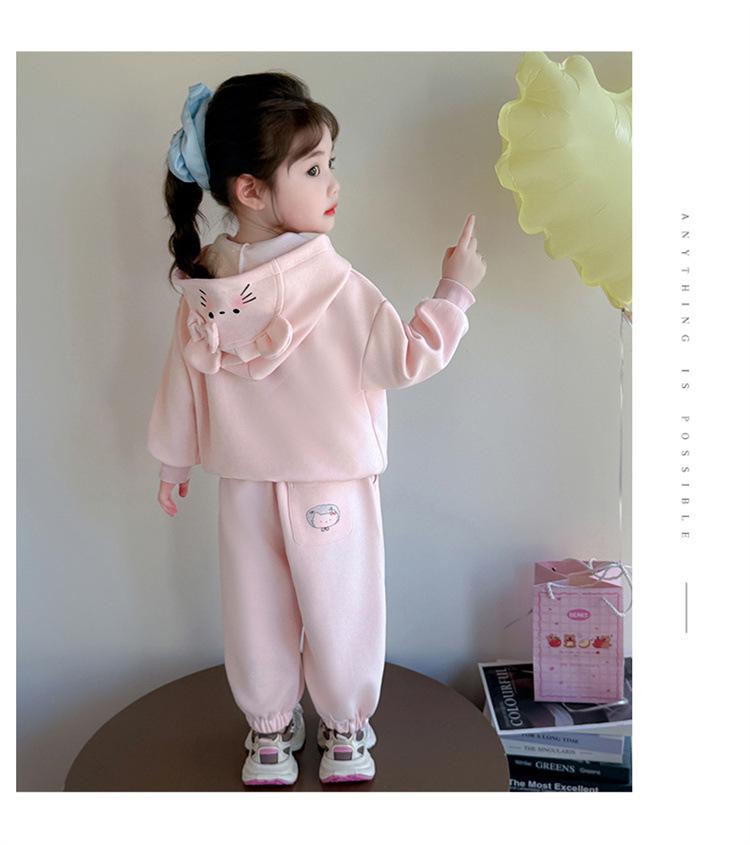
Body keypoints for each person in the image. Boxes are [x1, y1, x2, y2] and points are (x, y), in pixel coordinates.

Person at [147, 71, 487, 787]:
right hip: (331, 481)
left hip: (244, 484)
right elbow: (407, 358)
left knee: (256, 609)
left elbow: (183, 381)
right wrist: (454, 290)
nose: (333, 183)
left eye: (330, 164)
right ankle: (346, 731)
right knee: (342, 606)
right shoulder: (338, 285)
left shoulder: (204, 287)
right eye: (312, 168)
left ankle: (269, 738)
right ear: (249, 188)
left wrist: (175, 462)